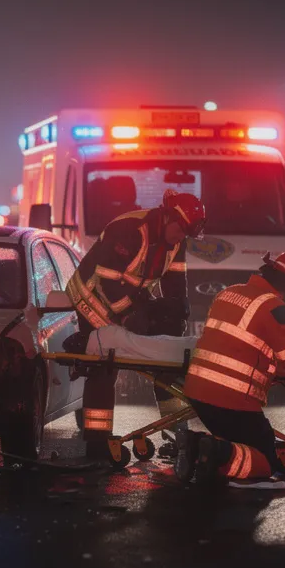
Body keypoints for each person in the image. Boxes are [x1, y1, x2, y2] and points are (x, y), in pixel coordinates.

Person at [64, 189, 205, 458]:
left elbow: (174, 282)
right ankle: (97, 443)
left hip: (127, 295)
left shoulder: (177, 240)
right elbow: (107, 280)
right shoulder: (129, 229)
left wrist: (176, 314)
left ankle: (177, 433)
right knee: (104, 363)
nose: (180, 237)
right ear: (167, 218)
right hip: (91, 296)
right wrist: (129, 316)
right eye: (180, 230)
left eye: (186, 233)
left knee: (165, 361)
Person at [175, 252, 285, 484]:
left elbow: (240, 344)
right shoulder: (275, 308)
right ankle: (216, 451)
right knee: (266, 461)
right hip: (233, 400)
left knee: (234, 441)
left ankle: (195, 444)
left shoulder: (228, 292)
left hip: (197, 392)